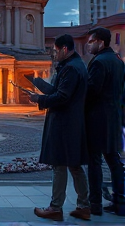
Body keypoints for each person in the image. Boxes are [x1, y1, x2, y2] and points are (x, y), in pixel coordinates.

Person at [29, 34, 91, 221]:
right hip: (73, 122)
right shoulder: (75, 66)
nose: (54, 54)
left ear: (64, 49)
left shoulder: (71, 68)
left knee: (59, 165)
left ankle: (55, 207)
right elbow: (63, 92)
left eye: (55, 51)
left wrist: (39, 99)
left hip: (65, 123)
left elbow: (63, 97)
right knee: (74, 165)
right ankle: (84, 206)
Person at [85, 27, 125, 216]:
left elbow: (92, 91)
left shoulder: (99, 62)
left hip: (98, 119)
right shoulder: (117, 61)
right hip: (114, 117)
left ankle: (95, 204)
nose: (88, 44)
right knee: (114, 160)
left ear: (101, 42)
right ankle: (120, 202)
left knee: (94, 162)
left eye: (91, 41)